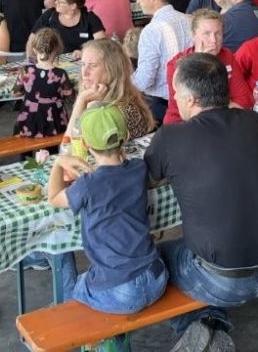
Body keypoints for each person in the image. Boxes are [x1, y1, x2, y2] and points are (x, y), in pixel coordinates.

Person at [146, 53, 258, 350]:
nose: (175, 98)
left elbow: (148, 178)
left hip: (223, 281)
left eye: (176, 92)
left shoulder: (170, 137)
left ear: (190, 99)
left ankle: (204, 321)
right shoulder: (253, 122)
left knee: (153, 257)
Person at [47, 105, 168, 344]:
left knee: (74, 290)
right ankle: (110, 333)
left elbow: (53, 198)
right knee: (100, 285)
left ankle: (92, 338)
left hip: (121, 291)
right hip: (156, 277)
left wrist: (59, 163)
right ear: (125, 137)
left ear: (86, 145)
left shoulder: (88, 184)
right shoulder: (138, 168)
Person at [164, 9, 253, 125]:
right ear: (193, 35)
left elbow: (245, 100)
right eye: (207, 34)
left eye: (218, 33)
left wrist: (207, 104)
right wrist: (200, 61)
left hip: (220, 123)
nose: (214, 40)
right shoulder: (177, 65)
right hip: (182, 124)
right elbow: (185, 110)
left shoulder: (227, 56)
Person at [131, 0, 191, 122]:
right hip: (190, 98)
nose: (138, 1)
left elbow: (144, 81)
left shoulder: (151, 30)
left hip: (162, 104)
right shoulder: (189, 20)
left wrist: (125, 81)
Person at [70, 38, 155, 139]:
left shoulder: (121, 110)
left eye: (92, 66)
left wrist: (81, 101)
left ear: (112, 70)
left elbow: (72, 142)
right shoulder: (91, 96)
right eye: (83, 64)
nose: (84, 73)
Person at [14, 28, 74, 139]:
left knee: (26, 141)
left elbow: (15, 93)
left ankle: (27, 151)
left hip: (29, 120)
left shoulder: (26, 70)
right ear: (57, 50)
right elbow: (70, 96)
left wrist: (28, 92)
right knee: (53, 143)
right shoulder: (60, 74)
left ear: (34, 49)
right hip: (54, 120)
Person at [32, 0, 107, 57]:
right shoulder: (49, 15)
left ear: (73, 6)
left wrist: (84, 52)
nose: (56, 2)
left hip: (81, 62)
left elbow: (102, 45)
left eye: (60, 2)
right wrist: (32, 59)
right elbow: (32, 39)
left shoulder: (89, 18)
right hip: (51, 61)